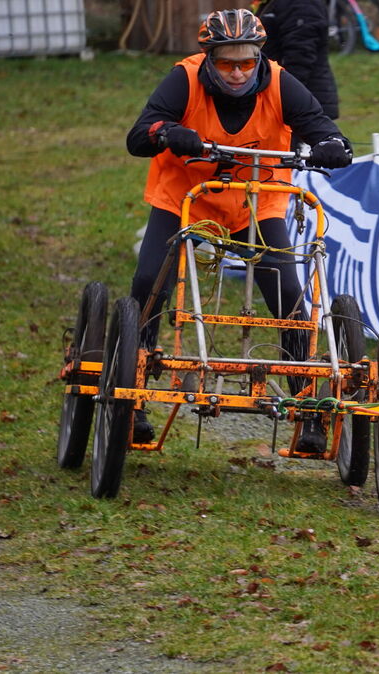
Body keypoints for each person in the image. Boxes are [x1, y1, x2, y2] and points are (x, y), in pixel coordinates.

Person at [125, 7, 350, 454]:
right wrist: (169, 132)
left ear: (259, 58)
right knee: (150, 281)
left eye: (246, 62)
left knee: (287, 293)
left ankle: (306, 408)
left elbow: (325, 129)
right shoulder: (183, 80)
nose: (236, 72)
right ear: (208, 58)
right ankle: (133, 396)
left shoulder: (281, 83)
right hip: (187, 198)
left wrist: (331, 146)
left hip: (255, 200)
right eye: (226, 63)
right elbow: (139, 136)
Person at [252, 0, 340, 121]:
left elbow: (300, 56)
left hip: (302, 104)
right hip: (284, 96)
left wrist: (286, 98)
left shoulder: (302, 4)